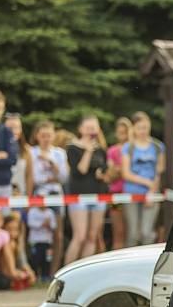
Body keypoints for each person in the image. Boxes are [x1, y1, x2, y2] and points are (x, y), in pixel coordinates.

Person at [64, 116, 108, 265]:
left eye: (94, 128)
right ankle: (66, 272)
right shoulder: (72, 148)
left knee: (91, 236)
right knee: (80, 236)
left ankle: (82, 270)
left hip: (98, 196)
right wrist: (88, 152)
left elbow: (104, 169)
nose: (91, 132)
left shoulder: (100, 149)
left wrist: (102, 174)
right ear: (81, 129)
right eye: (88, 128)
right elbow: (80, 170)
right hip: (79, 197)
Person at [29, 120, 69, 274]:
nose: (46, 138)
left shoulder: (59, 153)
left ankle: (54, 271)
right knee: (36, 231)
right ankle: (37, 270)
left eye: (49, 135)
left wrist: (55, 167)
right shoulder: (31, 152)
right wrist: (48, 179)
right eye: (43, 135)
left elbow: (64, 177)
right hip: (38, 194)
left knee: (57, 233)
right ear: (37, 136)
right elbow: (33, 177)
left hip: (55, 194)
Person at [122, 111, 165, 247]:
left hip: (152, 193)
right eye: (140, 128)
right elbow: (126, 173)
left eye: (145, 127)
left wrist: (151, 191)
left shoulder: (158, 147)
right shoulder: (128, 147)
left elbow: (159, 171)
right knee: (133, 233)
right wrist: (147, 182)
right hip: (132, 193)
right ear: (133, 129)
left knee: (147, 233)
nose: (143, 131)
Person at [106, 117, 132, 250]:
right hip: (116, 194)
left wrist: (119, 168)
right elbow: (111, 175)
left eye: (125, 132)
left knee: (131, 231)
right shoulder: (112, 151)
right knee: (118, 231)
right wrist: (122, 169)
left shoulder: (134, 149)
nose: (122, 135)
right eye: (120, 132)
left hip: (132, 193)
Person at [1, 214, 35, 288]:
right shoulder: (3, 243)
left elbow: (23, 262)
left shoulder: (18, 244)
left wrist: (30, 272)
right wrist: (15, 272)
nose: (12, 233)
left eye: (15, 229)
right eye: (9, 229)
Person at [4, 113, 32, 197]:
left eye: (17, 127)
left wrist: (29, 198)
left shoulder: (26, 150)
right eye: (10, 128)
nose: (13, 131)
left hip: (21, 197)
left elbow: (29, 176)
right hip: (2, 197)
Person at [27, 204, 57, 280]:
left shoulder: (50, 212)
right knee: (35, 260)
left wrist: (49, 224)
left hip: (47, 242)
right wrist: (42, 224)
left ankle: (45, 277)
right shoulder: (32, 211)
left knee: (47, 260)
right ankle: (35, 277)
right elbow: (30, 223)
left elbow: (54, 226)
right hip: (36, 242)